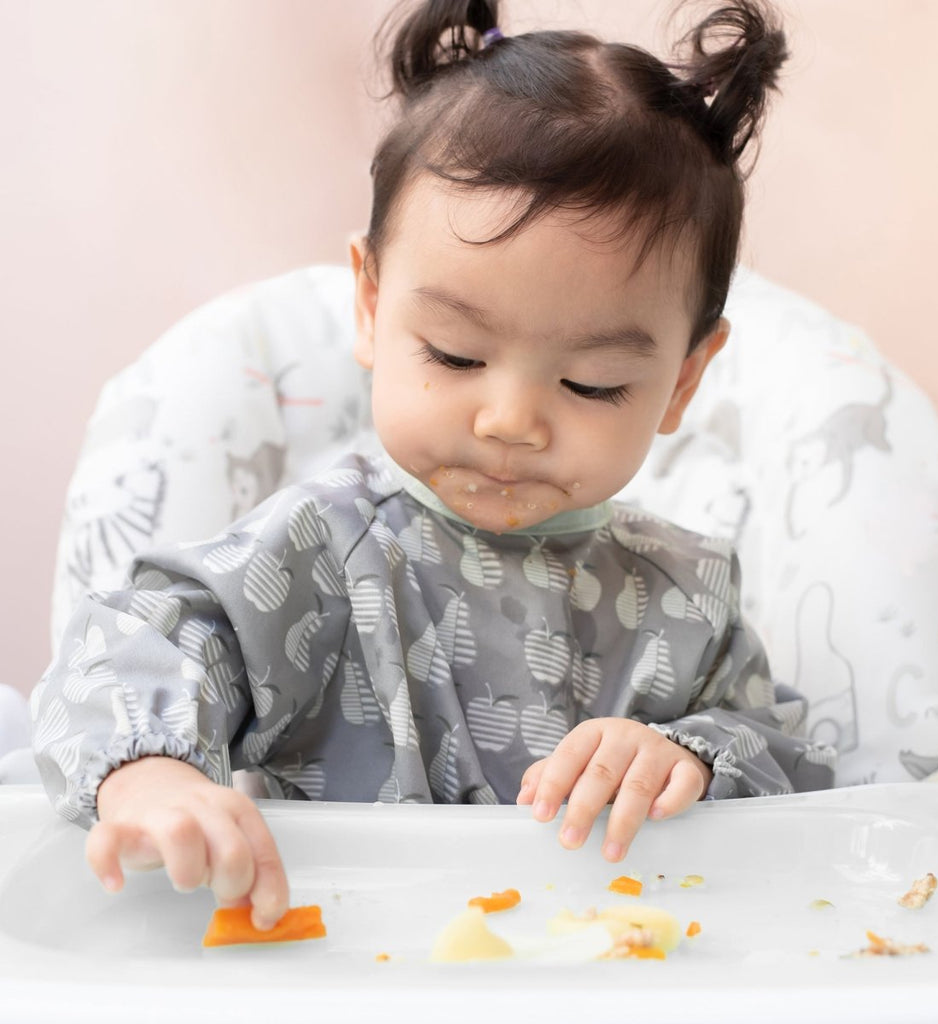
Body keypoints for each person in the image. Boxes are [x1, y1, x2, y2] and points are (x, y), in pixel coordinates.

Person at [32, 0, 835, 931]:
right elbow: (129, 647)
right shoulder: (319, 551)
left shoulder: (687, 599)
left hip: (603, 971)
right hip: (336, 963)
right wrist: (153, 774)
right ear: (372, 307)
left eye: (592, 383)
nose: (510, 421)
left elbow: (792, 765)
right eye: (455, 356)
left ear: (684, 380)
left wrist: (689, 757)